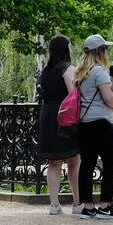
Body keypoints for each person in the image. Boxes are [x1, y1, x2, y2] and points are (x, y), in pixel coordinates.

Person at [75, 34, 113, 220]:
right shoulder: (99, 71)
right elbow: (108, 98)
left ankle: (88, 206)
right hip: (101, 123)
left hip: (84, 123)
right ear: (100, 51)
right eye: (105, 49)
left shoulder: (80, 72)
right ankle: (105, 205)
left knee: (87, 163)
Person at [37, 35, 81, 213]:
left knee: (53, 162)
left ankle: (54, 204)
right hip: (64, 115)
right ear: (65, 49)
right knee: (74, 160)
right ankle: (77, 202)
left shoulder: (46, 71)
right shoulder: (68, 68)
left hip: (48, 115)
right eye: (69, 46)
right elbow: (73, 95)